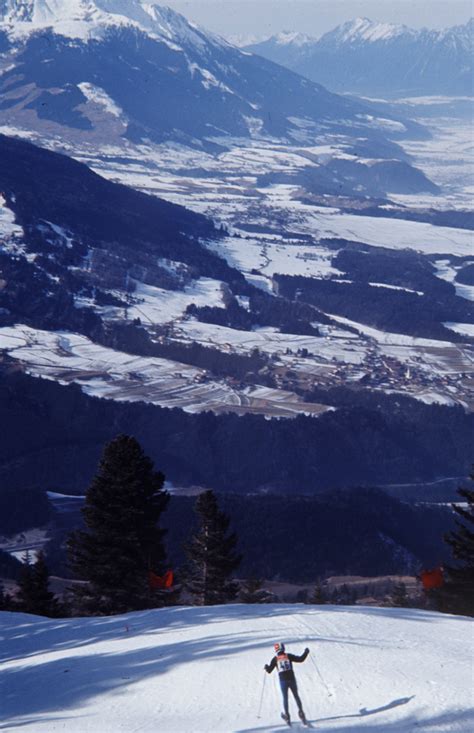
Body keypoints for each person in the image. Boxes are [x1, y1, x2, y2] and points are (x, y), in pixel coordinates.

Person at [264, 642, 309, 725]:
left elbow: (269, 670)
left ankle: (287, 716)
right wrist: (306, 652)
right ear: (283, 648)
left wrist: (266, 667)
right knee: (296, 696)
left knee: (285, 698)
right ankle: (301, 713)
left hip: (283, 681)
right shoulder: (288, 656)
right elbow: (300, 659)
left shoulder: (275, 659)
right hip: (291, 679)